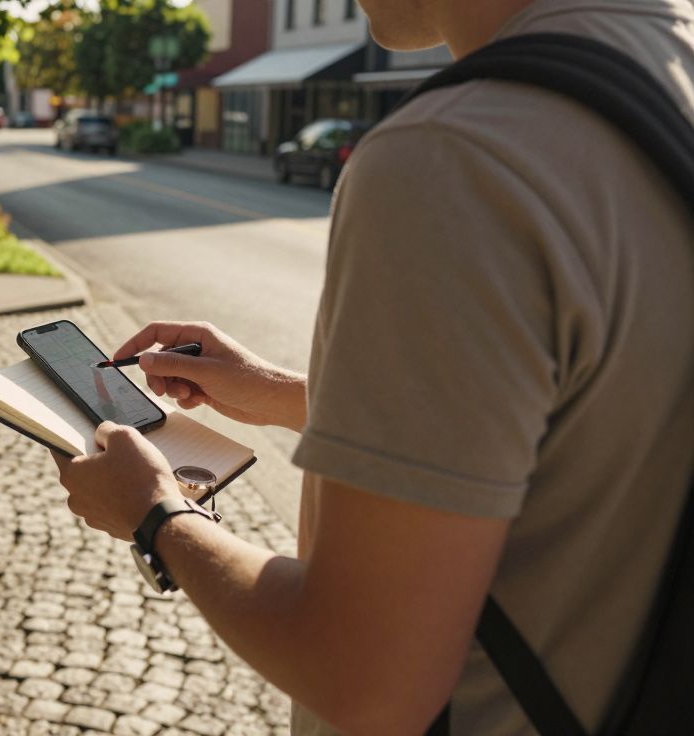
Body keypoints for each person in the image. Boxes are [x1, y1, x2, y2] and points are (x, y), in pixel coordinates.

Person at [50, 0, 694, 733]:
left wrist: (155, 513)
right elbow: (585, 426)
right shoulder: (666, 79)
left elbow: (365, 680)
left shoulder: (456, 155)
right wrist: (285, 395)